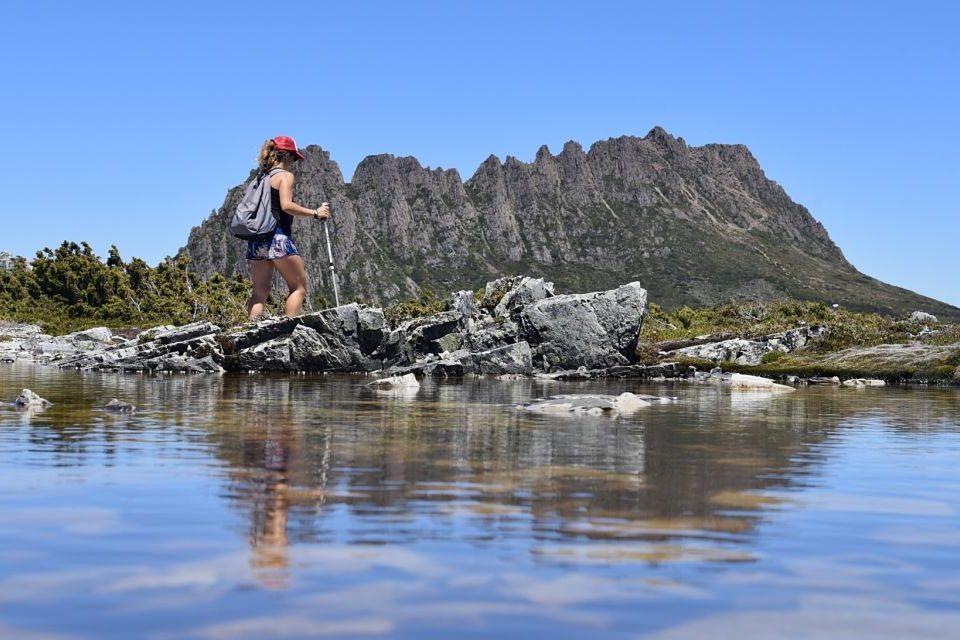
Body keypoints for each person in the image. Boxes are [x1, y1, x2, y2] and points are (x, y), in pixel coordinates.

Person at [245, 135, 330, 319]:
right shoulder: (285, 176)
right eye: (294, 158)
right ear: (287, 156)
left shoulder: (259, 179)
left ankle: (248, 333)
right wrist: (315, 212)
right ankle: (289, 333)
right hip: (278, 238)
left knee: (259, 292)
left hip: (256, 240)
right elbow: (286, 206)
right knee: (299, 287)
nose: (294, 162)